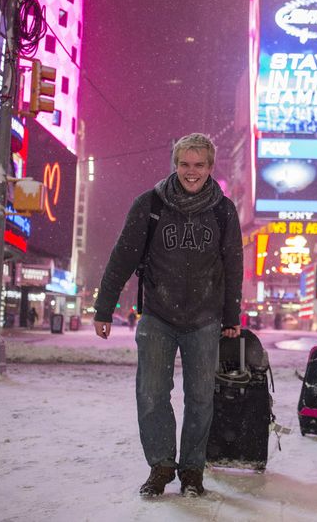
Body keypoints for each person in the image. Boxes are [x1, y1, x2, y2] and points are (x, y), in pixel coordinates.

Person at [92, 133, 243, 498]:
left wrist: (230, 316)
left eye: (199, 165)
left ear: (210, 167)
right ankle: (161, 465)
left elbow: (233, 265)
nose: (192, 172)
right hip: (158, 316)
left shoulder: (223, 210)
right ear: (175, 164)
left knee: (201, 398)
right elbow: (123, 257)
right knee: (151, 393)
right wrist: (104, 307)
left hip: (205, 319)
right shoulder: (150, 204)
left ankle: (192, 470)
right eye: (185, 164)